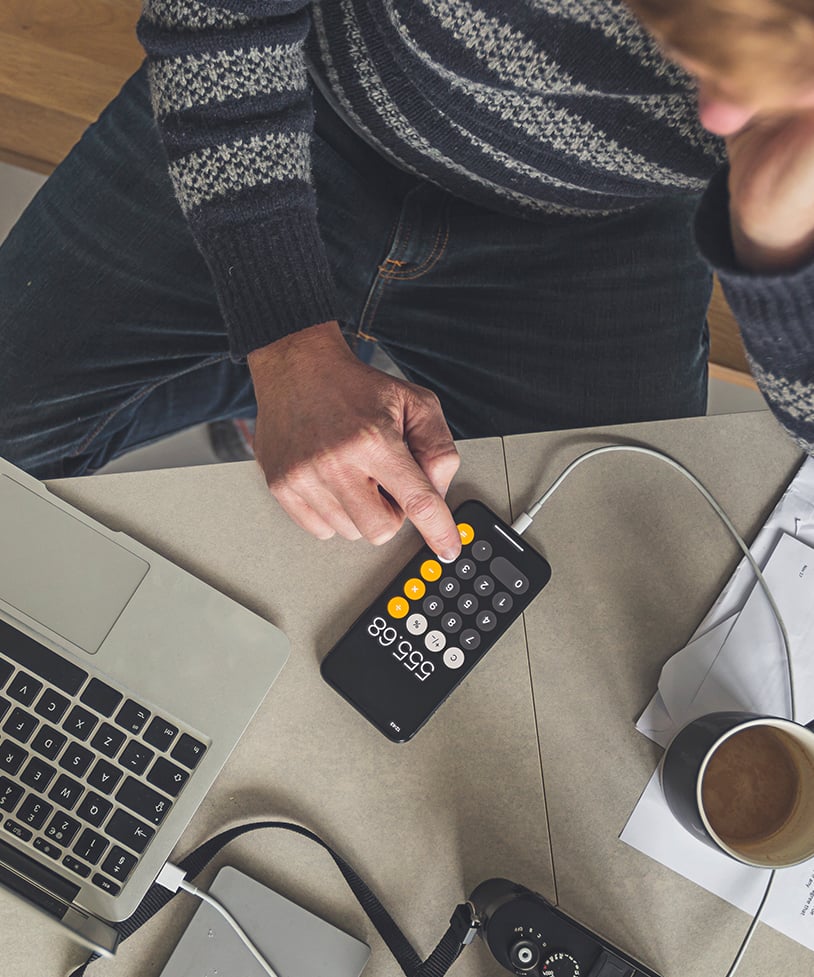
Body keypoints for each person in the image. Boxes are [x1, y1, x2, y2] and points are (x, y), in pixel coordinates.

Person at [1, 0, 812, 562]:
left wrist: (781, 248)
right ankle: (278, 379)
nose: (705, 116)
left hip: (609, 227)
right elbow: (219, 20)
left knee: (600, 574)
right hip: (308, 94)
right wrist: (285, 349)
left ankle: (303, 377)